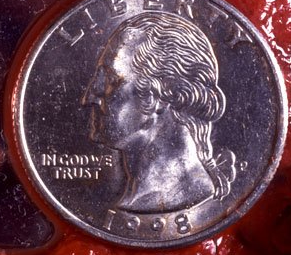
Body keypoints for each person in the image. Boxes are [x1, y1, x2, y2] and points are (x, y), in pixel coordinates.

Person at [82, 11, 235, 213]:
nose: (89, 97)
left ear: (163, 95)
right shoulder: (138, 197)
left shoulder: (180, 193)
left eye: (111, 80)